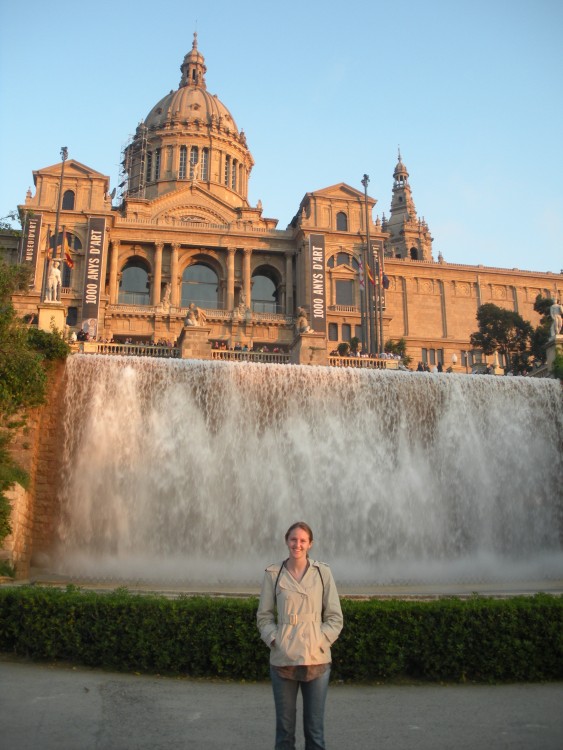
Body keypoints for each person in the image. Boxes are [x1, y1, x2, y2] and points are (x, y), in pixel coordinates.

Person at [257, 522, 343, 750]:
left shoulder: (323, 573)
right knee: (284, 733)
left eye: (303, 540)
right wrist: (276, 640)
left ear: (310, 544)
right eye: (294, 539)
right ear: (287, 541)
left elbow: (335, 617)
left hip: (317, 659)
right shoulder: (273, 574)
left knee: (315, 732)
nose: (298, 544)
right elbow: (264, 616)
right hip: (283, 659)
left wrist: (319, 641)